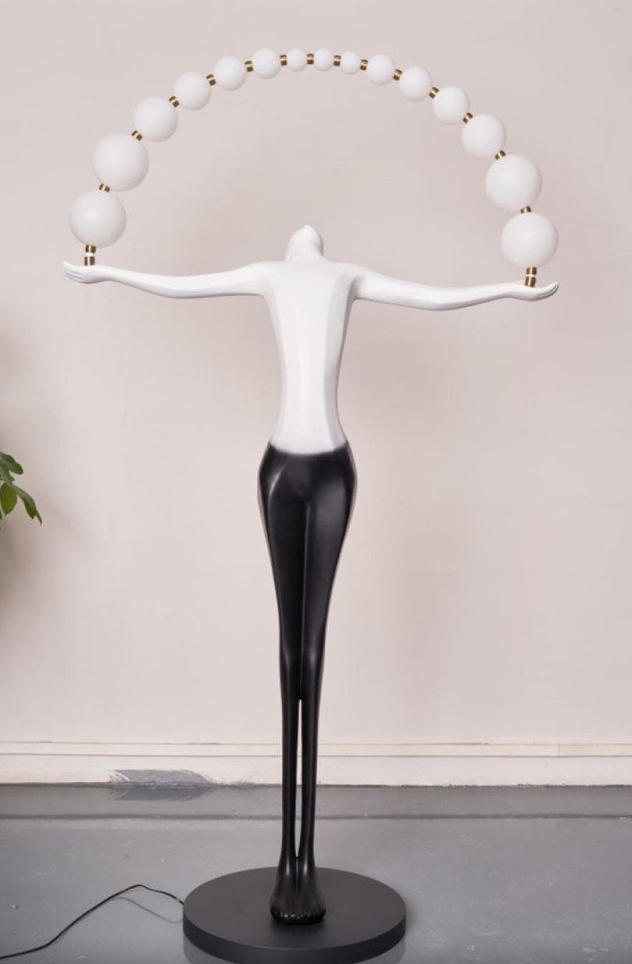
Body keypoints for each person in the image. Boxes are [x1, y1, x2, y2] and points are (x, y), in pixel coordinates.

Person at [64, 225, 557, 924]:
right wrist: (109, 272)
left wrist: (510, 287)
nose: (308, 229)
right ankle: (287, 861)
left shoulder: (341, 274)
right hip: (281, 469)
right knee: (290, 645)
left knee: (312, 644)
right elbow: (184, 287)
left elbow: (430, 297)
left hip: (330, 470)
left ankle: (304, 861)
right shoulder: (270, 273)